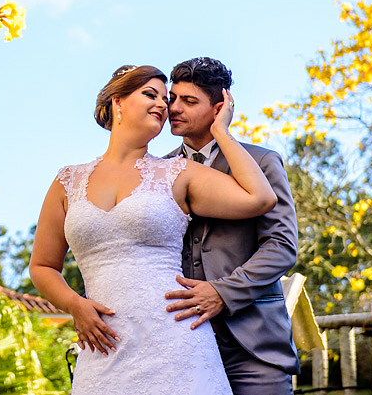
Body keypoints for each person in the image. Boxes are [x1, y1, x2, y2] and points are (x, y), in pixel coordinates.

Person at [29, 64, 277, 395]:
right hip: (102, 345)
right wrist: (75, 305)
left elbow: (260, 198)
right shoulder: (67, 180)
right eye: (151, 94)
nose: (165, 105)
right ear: (117, 102)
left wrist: (221, 131)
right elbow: (42, 266)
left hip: (176, 340)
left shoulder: (178, 172)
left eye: (167, 99)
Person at [163, 57, 300, 395]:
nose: (174, 108)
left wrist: (223, 292)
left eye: (189, 101)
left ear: (219, 107)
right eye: (173, 98)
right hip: (179, 344)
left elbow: (282, 246)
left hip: (254, 347)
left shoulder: (263, 162)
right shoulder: (156, 171)